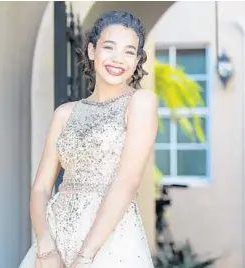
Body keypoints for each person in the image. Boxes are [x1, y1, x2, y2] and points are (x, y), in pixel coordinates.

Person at [19, 10, 158, 268]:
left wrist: (86, 257)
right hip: (56, 238)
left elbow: (128, 181)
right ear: (92, 51)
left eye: (129, 51)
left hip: (111, 239)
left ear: (138, 60)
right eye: (109, 47)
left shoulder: (140, 103)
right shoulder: (64, 113)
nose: (118, 59)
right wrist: (45, 247)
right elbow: (40, 189)